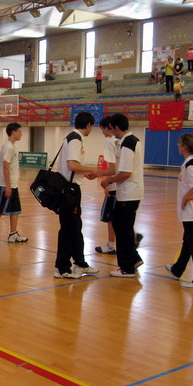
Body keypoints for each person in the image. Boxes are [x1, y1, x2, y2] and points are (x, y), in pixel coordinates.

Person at [53, 112, 101, 279]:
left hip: (72, 188)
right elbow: (72, 165)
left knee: (74, 228)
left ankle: (80, 263)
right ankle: (61, 267)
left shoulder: (71, 137)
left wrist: (84, 174)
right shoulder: (75, 139)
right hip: (69, 191)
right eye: (91, 126)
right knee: (68, 229)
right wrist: (91, 169)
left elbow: (73, 168)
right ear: (87, 125)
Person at [101, 113, 144, 278]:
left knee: (123, 228)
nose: (112, 132)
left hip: (129, 193)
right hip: (129, 192)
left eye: (112, 129)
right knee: (121, 226)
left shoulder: (127, 144)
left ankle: (127, 267)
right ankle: (133, 259)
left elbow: (125, 172)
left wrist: (109, 181)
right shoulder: (133, 140)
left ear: (117, 127)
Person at [165, 133, 193, 290]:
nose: (177, 145)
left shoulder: (191, 166)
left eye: (179, 143)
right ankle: (178, 269)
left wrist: (185, 198)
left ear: (184, 147)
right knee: (188, 242)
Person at [0, 122, 28, 246]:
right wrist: (8, 186)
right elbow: (5, 166)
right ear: (13, 132)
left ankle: (13, 233)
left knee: (15, 210)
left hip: (13, 184)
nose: (21, 133)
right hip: (6, 185)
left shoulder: (13, 146)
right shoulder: (8, 147)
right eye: (19, 131)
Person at [95, 117, 118, 256]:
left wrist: (106, 184)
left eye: (102, 129)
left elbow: (112, 168)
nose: (102, 132)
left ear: (107, 128)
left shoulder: (110, 142)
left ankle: (111, 244)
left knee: (111, 217)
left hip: (114, 185)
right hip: (123, 185)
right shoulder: (122, 141)